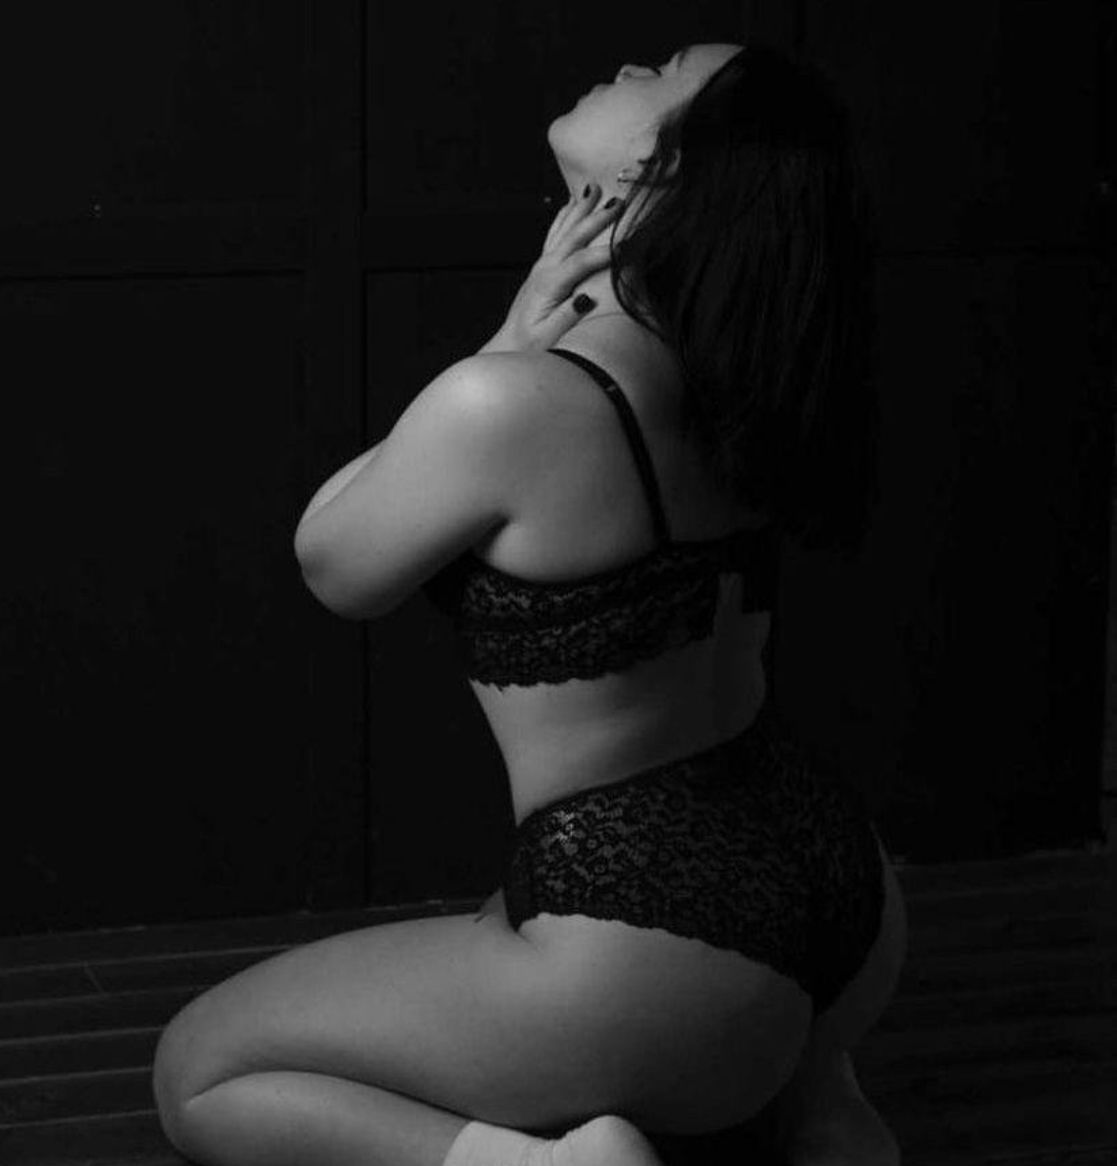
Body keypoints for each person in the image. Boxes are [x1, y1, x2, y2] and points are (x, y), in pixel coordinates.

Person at [153, 38, 908, 1166]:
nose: (631, 65)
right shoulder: (746, 367)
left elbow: (334, 560)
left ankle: (560, 1163)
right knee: (518, 944)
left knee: (201, 1070)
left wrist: (505, 342)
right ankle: (811, 1100)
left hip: (666, 951)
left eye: (664, 70)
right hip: (844, 895)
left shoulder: (511, 401)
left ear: (660, 169)